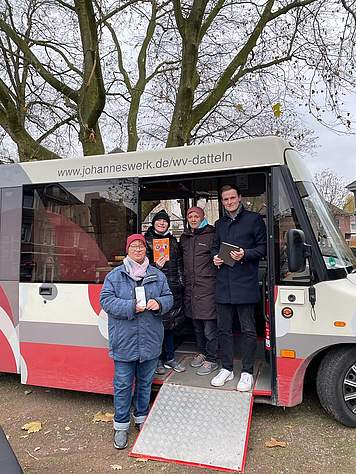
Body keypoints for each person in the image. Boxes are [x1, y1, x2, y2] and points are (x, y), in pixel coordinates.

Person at [100, 234, 173, 450]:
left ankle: (141, 418)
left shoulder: (157, 275)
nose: (138, 249)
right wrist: (132, 306)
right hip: (124, 341)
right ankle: (121, 426)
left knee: (145, 384)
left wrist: (158, 303)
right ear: (128, 250)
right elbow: (106, 301)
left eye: (141, 246)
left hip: (150, 340)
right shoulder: (115, 276)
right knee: (122, 385)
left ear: (146, 250)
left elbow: (169, 297)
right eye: (134, 246)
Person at [210, 185, 267, 391]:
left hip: (245, 283)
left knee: (248, 330)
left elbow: (263, 249)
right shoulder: (219, 223)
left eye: (232, 198)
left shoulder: (254, 219)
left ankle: (247, 371)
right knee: (223, 329)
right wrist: (214, 258)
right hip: (224, 283)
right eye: (225, 199)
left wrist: (245, 254)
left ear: (240, 198)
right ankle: (226, 368)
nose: (229, 202)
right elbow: (215, 247)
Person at [144, 209, 186, 373]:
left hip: (173, 287)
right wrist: (156, 266)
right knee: (156, 327)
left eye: (165, 221)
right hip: (154, 289)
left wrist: (181, 284)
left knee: (170, 326)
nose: (162, 223)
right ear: (153, 223)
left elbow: (179, 264)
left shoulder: (173, 241)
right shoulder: (146, 241)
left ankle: (170, 358)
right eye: (159, 221)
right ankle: (157, 360)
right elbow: (142, 269)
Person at [180, 206, 219, 375]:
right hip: (190, 288)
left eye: (197, 216)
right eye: (190, 216)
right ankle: (202, 353)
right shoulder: (185, 237)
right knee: (196, 326)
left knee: (209, 328)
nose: (193, 219)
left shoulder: (212, 235)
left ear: (203, 217)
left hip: (208, 288)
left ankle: (212, 358)